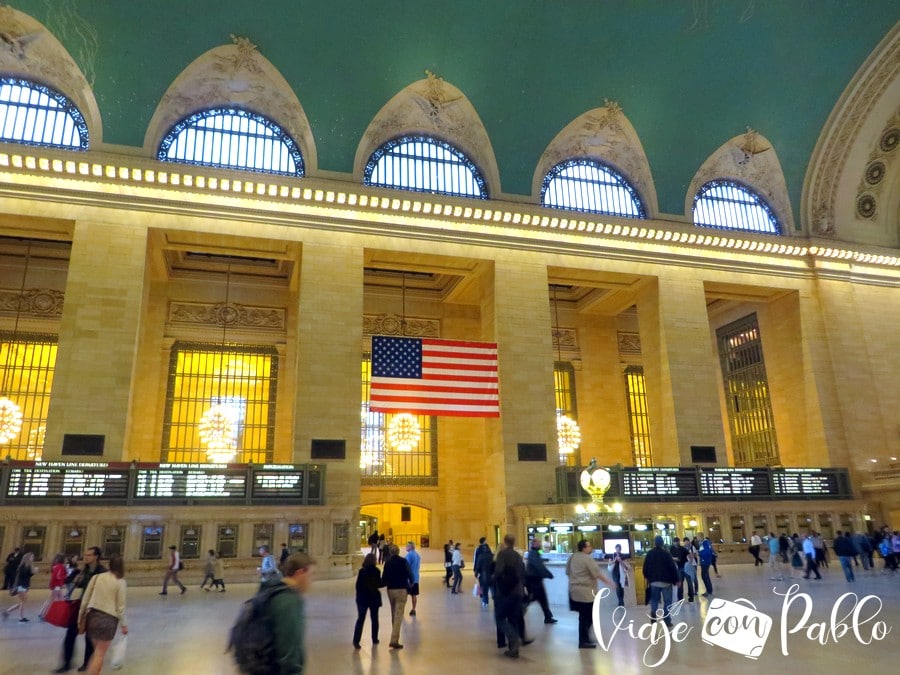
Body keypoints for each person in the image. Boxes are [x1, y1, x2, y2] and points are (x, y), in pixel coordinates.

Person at [55, 546, 106, 673]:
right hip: (81, 605)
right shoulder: (82, 570)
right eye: (85, 555)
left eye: (89, 555)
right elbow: (66, 581)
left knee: (89, 637)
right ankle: (66, 663)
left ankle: (86, 663)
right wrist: (75, 577)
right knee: (70, 634)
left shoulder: (103, 572)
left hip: (94, 607)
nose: (85, 557)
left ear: (96, 557)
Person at [263, 552, 315, 674]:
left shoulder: (273, 588)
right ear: (300, 573)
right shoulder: (289, 601)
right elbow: (289, 652)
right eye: (310, 575)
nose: (311, 581)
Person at [77, 553, 128, 675]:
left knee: (96, 653)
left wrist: (79, 619)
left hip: (92, 618)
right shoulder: (120, 582)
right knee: (100, 654)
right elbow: (120, 607)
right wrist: (124, 625)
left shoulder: (96, 578)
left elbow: (85, 600)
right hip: (108, 620)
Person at [567, 539, 613, 649]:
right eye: (589, 546)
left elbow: (567, 572)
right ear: (584, 548)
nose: (591, 548)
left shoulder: (572, 557)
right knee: (588, 617)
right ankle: (583, 641)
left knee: (583, 616)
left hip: (574, 591)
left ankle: (585, 638)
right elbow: (597, 574)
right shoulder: (587, 559)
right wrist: (610, 583)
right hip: (586, 593)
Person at [492, 534, 528, 658]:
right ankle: (513, 650)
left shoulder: (503, 554)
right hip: (518, 591)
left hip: (506, 591)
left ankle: (514, 638)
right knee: (513, 619)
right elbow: (523, 574)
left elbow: (498, 572)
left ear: (505, 542)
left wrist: (493, 580)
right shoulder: (518, 556)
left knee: (500, 618)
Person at [381, 544, 414, 649]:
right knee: (399, 614)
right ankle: (394, 639)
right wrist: (412, 582)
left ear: (390, 552)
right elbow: (410, 574)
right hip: (401, 589)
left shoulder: (388, 563)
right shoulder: (403, 561)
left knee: (394, 612)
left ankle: (394, 635)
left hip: (391, 590)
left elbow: (384, 579)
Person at [643, 536, 679, 627]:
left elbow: (645, 568)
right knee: (667, 601)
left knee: (654, 600)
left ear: (654, 543)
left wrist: (648, 577)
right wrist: (677, 580)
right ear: (663, 543)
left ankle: (653, 617)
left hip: (654, 582)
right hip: (666, 582)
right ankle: (667, 620)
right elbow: (672, 568)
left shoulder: (650, 554)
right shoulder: (666, 554)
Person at [352, 553, 382, 649]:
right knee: (374, 619)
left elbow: (358, 585)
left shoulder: (362, 571)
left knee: (360, 619)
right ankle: (374, 638)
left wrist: (359, 595)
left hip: (362, 598)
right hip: (373, 598)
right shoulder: (377, 571)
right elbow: (378, 584)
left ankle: (356, 640)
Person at [525, 536, 557, 622]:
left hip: (535, 579)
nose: (540, 544)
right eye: (538, 542)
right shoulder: (533, 553)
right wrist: (548, 574)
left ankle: (548, 617)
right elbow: (539, 566)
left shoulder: (535, 553)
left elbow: (539, 565)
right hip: (533, 580)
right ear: (534, 544)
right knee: (533, 598)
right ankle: (520, 609)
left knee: (542, 599)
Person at [2, 551, 35, 622]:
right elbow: (24, 576)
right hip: (21, 586)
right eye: (31, 557)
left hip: (23, 586)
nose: (33, 558)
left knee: (21, 602)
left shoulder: (26, 566)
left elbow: (27, 576)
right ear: (27, 558)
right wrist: (33, 572)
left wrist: (32, 572)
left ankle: (7, 612)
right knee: (23, 602)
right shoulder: (23, 566)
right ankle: (21, 618)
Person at [40, 553, 69, 619]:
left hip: (57, 586)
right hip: (57, 586)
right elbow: (58, 577)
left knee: (60, 600)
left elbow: (54, 577)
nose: (66, 560)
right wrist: (66, 575)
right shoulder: (60, 566)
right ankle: (43, 614)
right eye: (65, 559)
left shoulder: (56, 566)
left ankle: (56, 614)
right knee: (53, 600)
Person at [668, 538, 692, 603]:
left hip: (685, 567)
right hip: (679, 568)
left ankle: (691, 597)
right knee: (680, 583)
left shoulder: (682, 549)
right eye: (675, 542)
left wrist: (690, 562)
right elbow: (670, 557)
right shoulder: (671, 548)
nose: (676, 543)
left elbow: (679, 559)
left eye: (677, 542)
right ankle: (680, 598)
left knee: (689, 583)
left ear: (678, 542)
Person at [473, 537, 493, 608]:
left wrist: (475, 571)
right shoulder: (491, 555)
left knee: (484, 587)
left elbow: (476, 561)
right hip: (491, 573)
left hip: (482, 573)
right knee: (491, 587)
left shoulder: (479, 553)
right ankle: (494, 599)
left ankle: (484, 601)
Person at [404, 541, 421, 616]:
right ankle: (413, 609)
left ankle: (402, 610)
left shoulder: (409, 555)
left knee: (404, 595)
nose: (406, 547)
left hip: (409, 578)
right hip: (416, 578)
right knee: (414, 594)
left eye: (407, 546)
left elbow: (406, 566)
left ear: (411, 547)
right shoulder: (417, 555)